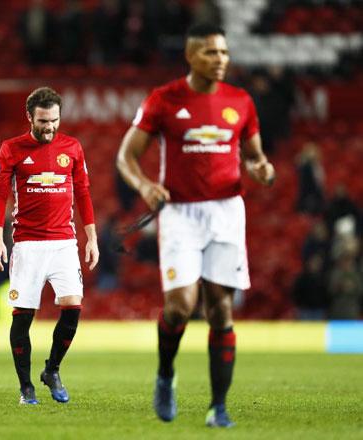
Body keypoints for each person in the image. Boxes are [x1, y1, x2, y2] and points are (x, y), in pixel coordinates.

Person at [116, 24, 275, 427]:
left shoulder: (240, 101)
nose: (220, 59)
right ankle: (166, 375)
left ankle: (218, 407)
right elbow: (125, 157)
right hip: (181, 212)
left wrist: (262, 169)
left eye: (223, 52)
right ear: (190, 56)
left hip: (226, 210)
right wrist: (146, 186)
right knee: (180, 306)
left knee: (221, 310)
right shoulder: (165, 99)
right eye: (210, 53)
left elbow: (256, 156)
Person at [0, 87, 99, 405]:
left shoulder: (72, 148)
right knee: (23, 316)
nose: (49, 126)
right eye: (43, 121)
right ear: (30, 117)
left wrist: (91, 237)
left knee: (73, 307)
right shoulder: (11, 149)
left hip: (64, 242)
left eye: (53, 120)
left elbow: (83, 193)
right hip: (27, 244)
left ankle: (52, 370)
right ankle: (26, 387)